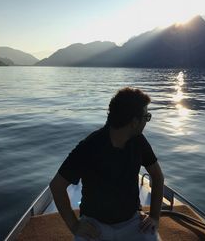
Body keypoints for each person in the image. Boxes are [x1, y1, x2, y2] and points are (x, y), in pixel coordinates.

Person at [49, 87, 164, 241]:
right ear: (134, 122)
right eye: (147, 116)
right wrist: (75, 225)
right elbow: (57, 186)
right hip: (94, 225)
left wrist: (155, 217)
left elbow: (157, 177)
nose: (147, 121)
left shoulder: (139, 142)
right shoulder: (89, 146)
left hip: (132, 221)